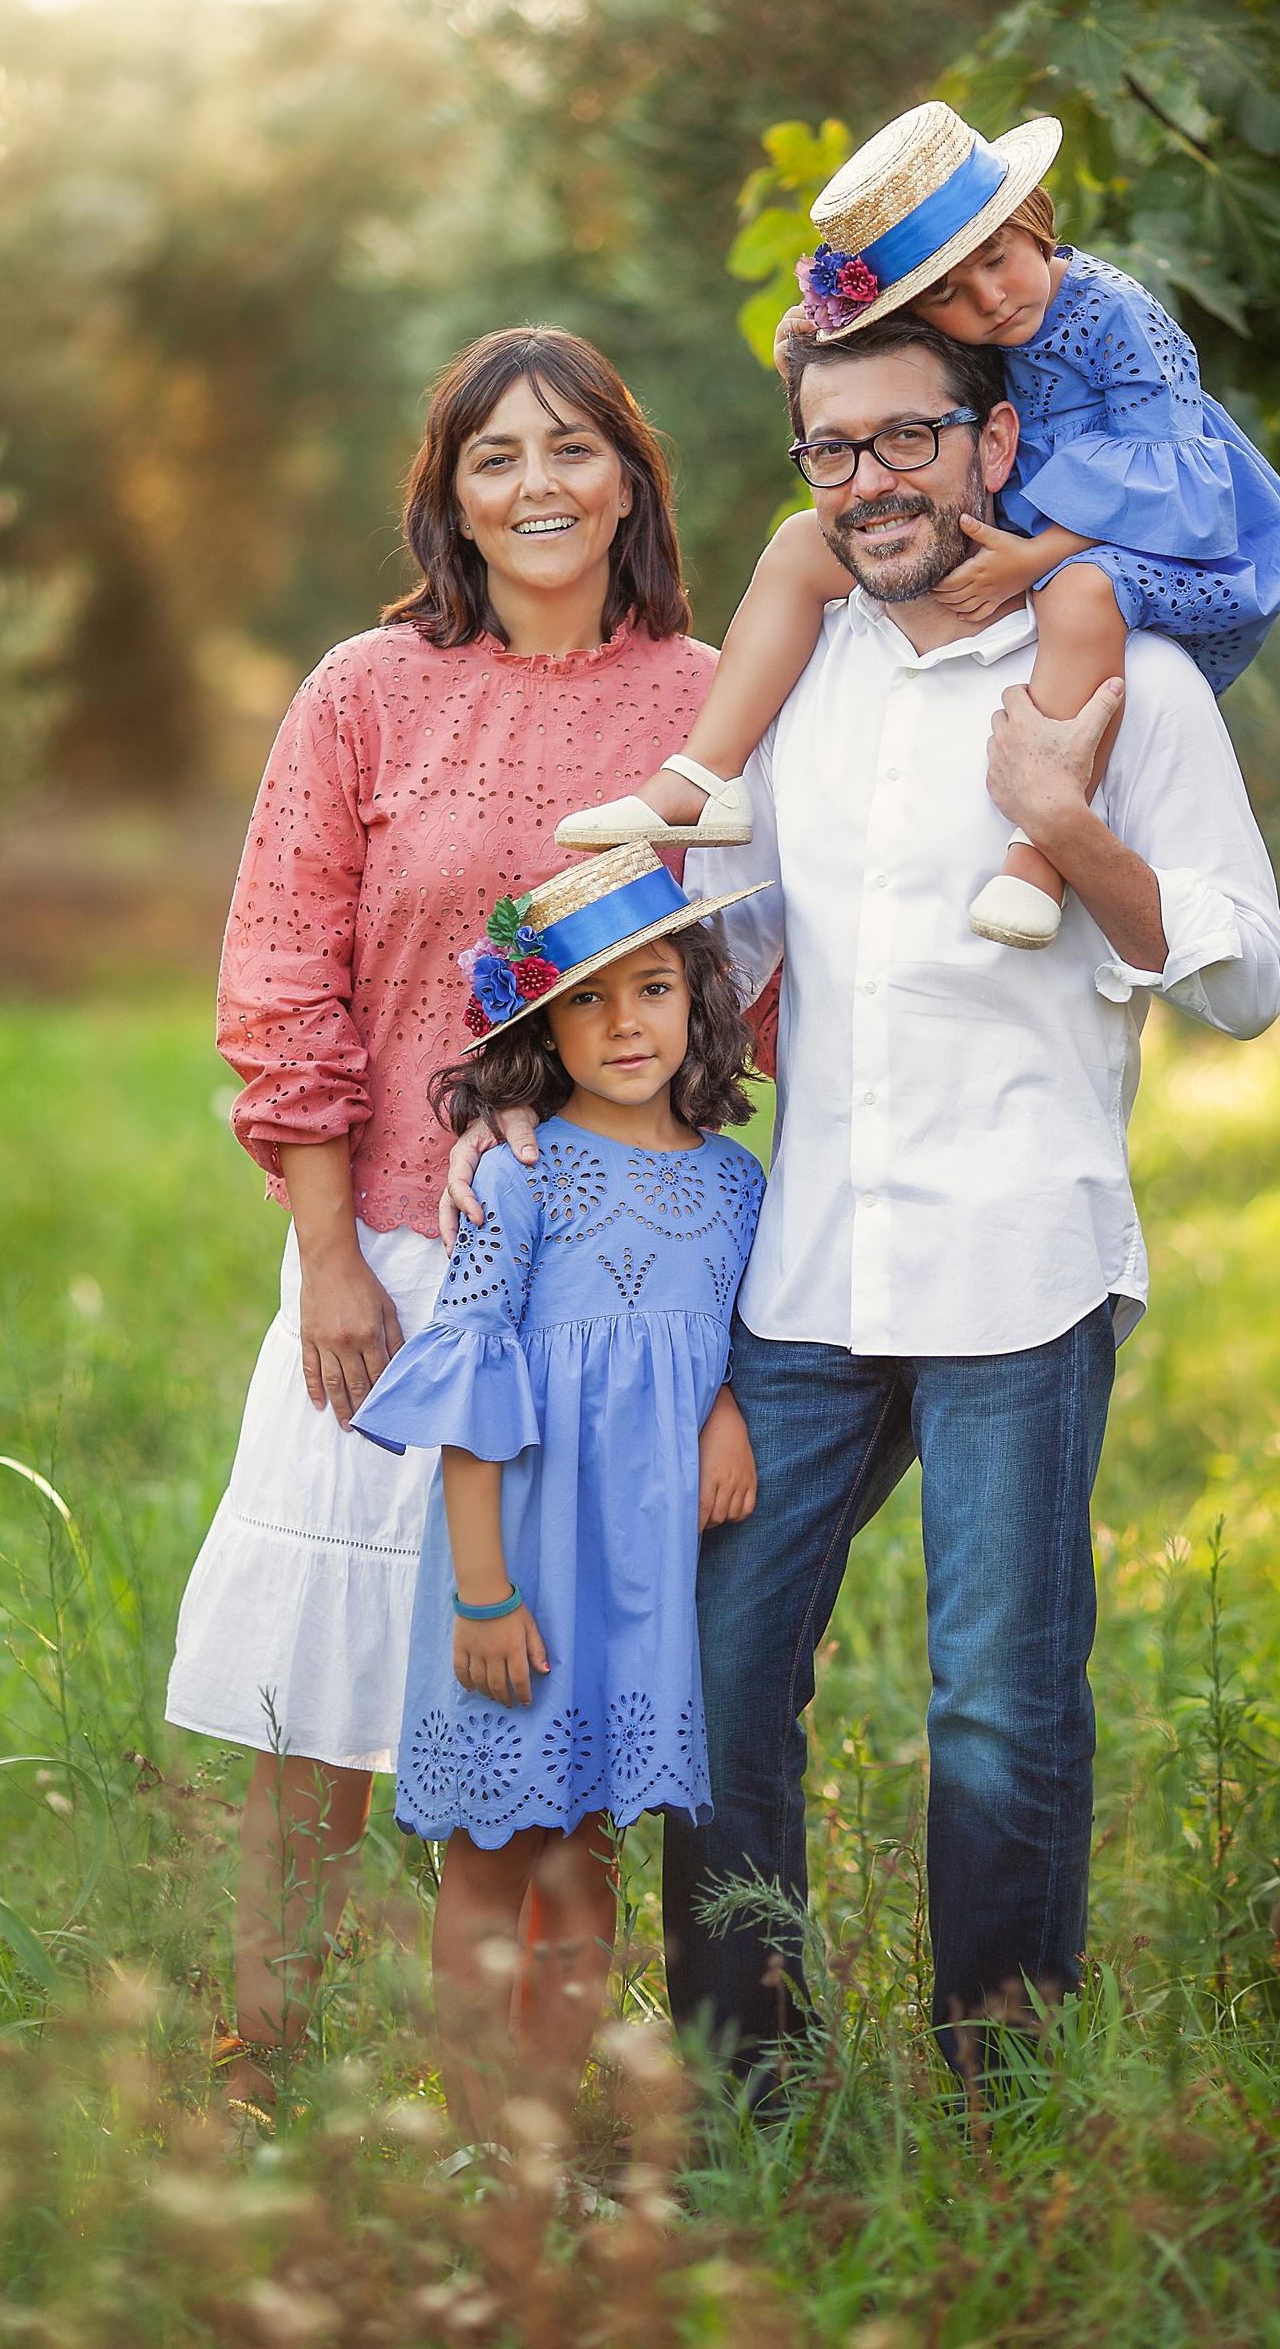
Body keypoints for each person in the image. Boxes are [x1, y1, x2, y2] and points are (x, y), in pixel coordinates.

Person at [447, 309, 1280, 2087]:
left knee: (996, 1702)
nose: (872, 482)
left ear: (993, 447)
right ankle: (759, 2086)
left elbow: (1244, 978)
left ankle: (1004, 2099)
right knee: (724, 1674)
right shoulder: (794, 689)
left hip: (1021, 1263)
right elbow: (699, 956)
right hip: (808, 1271)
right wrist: (509, 1103)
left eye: (909, 439)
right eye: (836, 451)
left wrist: (1071, 837)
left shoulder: (1127, 676)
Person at [161, 327, 758, 2121]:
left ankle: (516, 2107)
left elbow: (758, 976)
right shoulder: (366, 691)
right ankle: (261, 2071)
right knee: (317, 1685)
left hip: (612, 1270)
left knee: (545, 1696)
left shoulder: (711, 699)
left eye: (575, 447)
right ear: (450, 497)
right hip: (394, 1252)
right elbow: (283, 975)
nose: (541, 484)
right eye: (496, 456)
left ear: (633, 478)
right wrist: (331, 1250)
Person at [557, 101, 1280, 954]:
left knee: (1079, 598)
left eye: (999, 260)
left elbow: (1173, 476)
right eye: (946, 292)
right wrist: (810, 332)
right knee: (802, 545)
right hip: (1025, 511)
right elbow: (868, 370)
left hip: (1150, 532)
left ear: (1035, 224)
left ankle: (1038, 856)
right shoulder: (969, 335)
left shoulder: (1115, 316)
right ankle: (704, 776)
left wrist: (1035, 558)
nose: (988, 300)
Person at [351, 841, 768, 2139]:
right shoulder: (521, 1178)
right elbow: (473, 1397)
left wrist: (718, 1407)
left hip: (635, 1589)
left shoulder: (735, 1186)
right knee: (488, 1857)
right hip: (520, 1569)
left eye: (649, 988)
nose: (622, 1023)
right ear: (543, 1024)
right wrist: (481, 1595)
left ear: (699, 995)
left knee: (585, 1856)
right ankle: (474, 2143)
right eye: (584, 998)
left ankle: (543, 2123)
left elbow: (707, 1337)